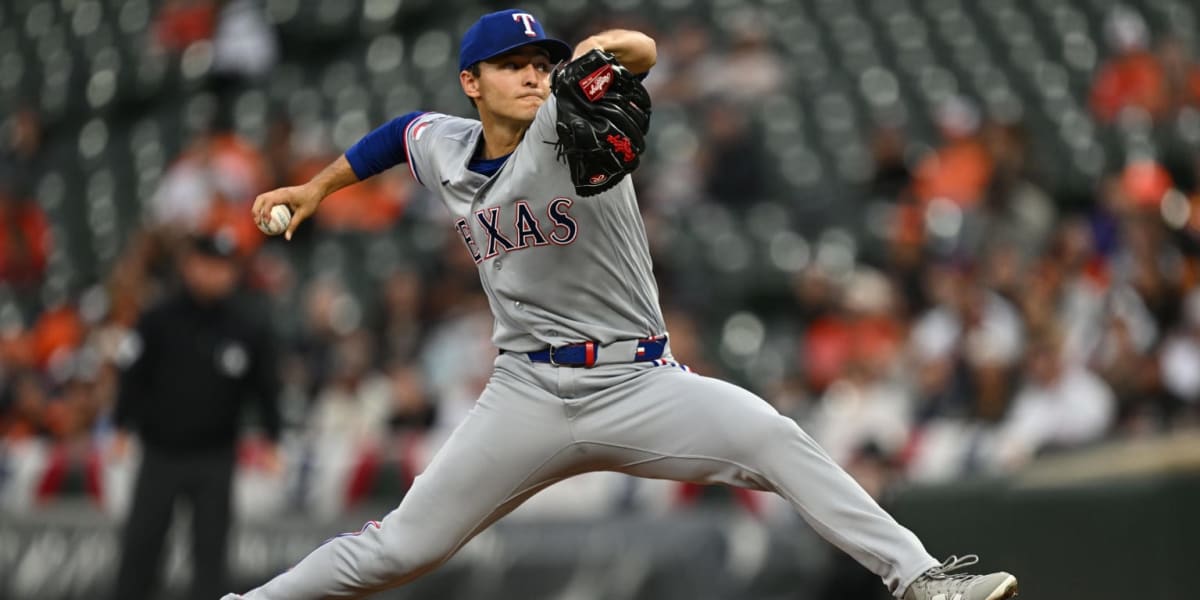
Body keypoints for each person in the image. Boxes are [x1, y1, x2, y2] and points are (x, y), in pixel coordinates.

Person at [230, 9, 1018, 600]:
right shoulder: (446, 145)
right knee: (402, 549)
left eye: (539, 62)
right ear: (471, 83)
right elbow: (397, 135)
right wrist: (314, 188)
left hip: (637, 380)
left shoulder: (565, 119)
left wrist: (586, 60)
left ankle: (921, 580)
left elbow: (639, 51)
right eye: (510, 65)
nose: (531, 75)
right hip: (525, 392)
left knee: (774, 437)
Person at [111, 231, 282, 600]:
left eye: (224, 267)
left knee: (211, 553)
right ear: (190, 266)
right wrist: (121, 425)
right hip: (161, 452)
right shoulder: (158, 318)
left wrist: (273, 437)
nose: (217, 274)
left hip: (215, 455)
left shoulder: (246, 325)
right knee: (142, 546)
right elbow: (132, 375)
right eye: (209, 265)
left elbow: (266, 387)